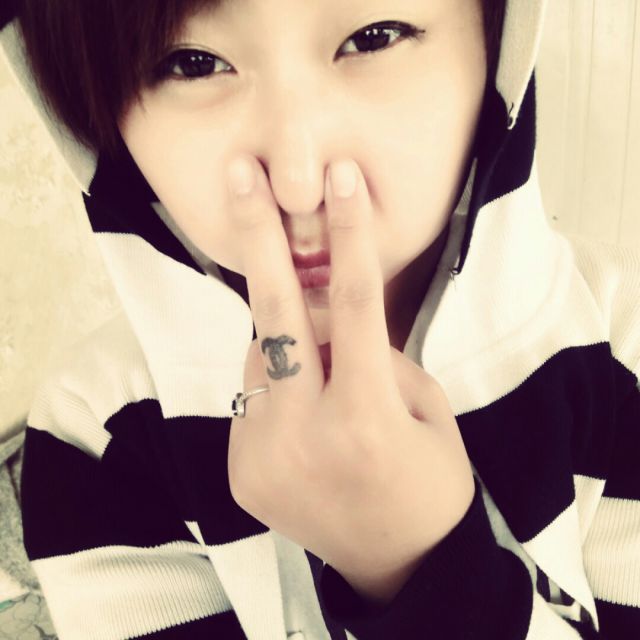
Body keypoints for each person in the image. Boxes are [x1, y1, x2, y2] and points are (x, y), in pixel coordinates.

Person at [1, 0, 638, 638]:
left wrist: (424, 573)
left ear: (500, 42)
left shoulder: (622, 345)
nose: (298, 183)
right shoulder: (98, 436)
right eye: (193, 64)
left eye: (373, 38)